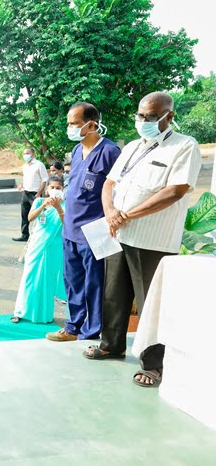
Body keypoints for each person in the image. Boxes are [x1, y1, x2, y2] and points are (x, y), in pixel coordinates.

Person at [83, 92, 202, 389]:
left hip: (154, 240)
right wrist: (111, 211)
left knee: (151, 302)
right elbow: (110, 182)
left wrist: (129, 214)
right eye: (140, 115)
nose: (143, 121)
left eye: (150, 116)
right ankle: (111, 345)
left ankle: (153, 365)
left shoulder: (184, 147)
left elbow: (175, 190)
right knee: (114, 293)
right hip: (119, 233)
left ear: (168, 116)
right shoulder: (133, 146)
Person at [46, 102, 120, 343]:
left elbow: (118, 189)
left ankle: (91, 332)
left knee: (95, 285)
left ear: (91, 124)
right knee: (73, 282)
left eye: (74, 123)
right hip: (71, 228)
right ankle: (74, 326)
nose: (70, 128)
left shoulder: (110, 152)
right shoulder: (77, 151)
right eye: (69, 123)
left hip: (96, 230)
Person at [12, 176, 66, 324]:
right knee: (29, 278)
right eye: (52, 187)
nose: (55, 190)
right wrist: (44, 205)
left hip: (54, 248)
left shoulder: (67, 205)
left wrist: (58, 208)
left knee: (47, 280)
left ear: (63, 190)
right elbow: (30, 218)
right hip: (37, 245)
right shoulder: (39, 201)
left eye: (58, 188)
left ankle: (43, 315)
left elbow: (67, 225)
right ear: (47, 189)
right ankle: (20, 311)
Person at [13, 148, 48, 242]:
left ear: (33, 154)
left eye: (27, 153)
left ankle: (42, 234)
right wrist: (21, 185)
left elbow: (44, 179)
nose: (25, 155)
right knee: (24, 214)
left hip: (35, 194)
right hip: (25, 192)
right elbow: (26, 178)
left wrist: (39, 193)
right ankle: (25, 235)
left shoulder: (39, 165)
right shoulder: (25, 166)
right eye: (24, 153)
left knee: (40, 214)